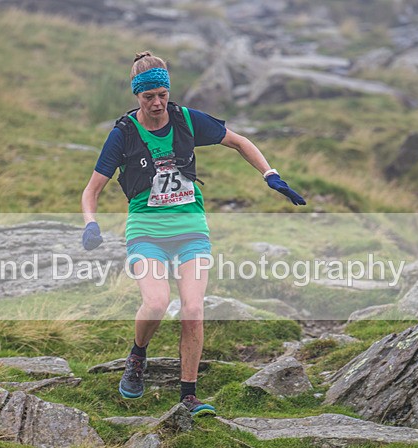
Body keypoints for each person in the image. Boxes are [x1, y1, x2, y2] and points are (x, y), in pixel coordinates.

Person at [80, 51, 306, 416]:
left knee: (194, 310)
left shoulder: (186, 120)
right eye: (148, 97)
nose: (157, 104)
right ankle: (138, 355)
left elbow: (239, 141)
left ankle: (188, 395)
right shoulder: (123, 135)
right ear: (136, 96)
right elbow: (91, 191)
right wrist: (91, 223)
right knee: (155, 303)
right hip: (147, 231)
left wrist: (270, 174)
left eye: (162, 95)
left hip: (191, 230)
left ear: (169, 91)